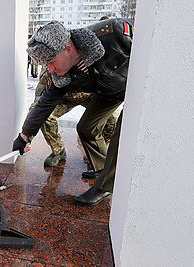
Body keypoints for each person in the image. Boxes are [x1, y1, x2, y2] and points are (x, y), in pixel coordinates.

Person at [12, 18, 133, 206]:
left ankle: (105, 186)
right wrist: (25, 136)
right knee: (86, 127)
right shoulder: (60, 76)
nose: (49, 69)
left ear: (67, 49)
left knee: (121, 135)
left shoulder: (114, 33)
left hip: (135, 90)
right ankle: (101, 169)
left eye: (51, 62)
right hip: (108, 93)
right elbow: (44, 104)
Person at [31, 65, 118, 167]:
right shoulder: (52, 66)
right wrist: (27, 136)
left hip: (91, 95)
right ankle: (58, 151)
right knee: (44, 116)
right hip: (64, 98)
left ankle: (96, 153)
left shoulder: (89, 59)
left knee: (112, 119)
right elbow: (39, 100)